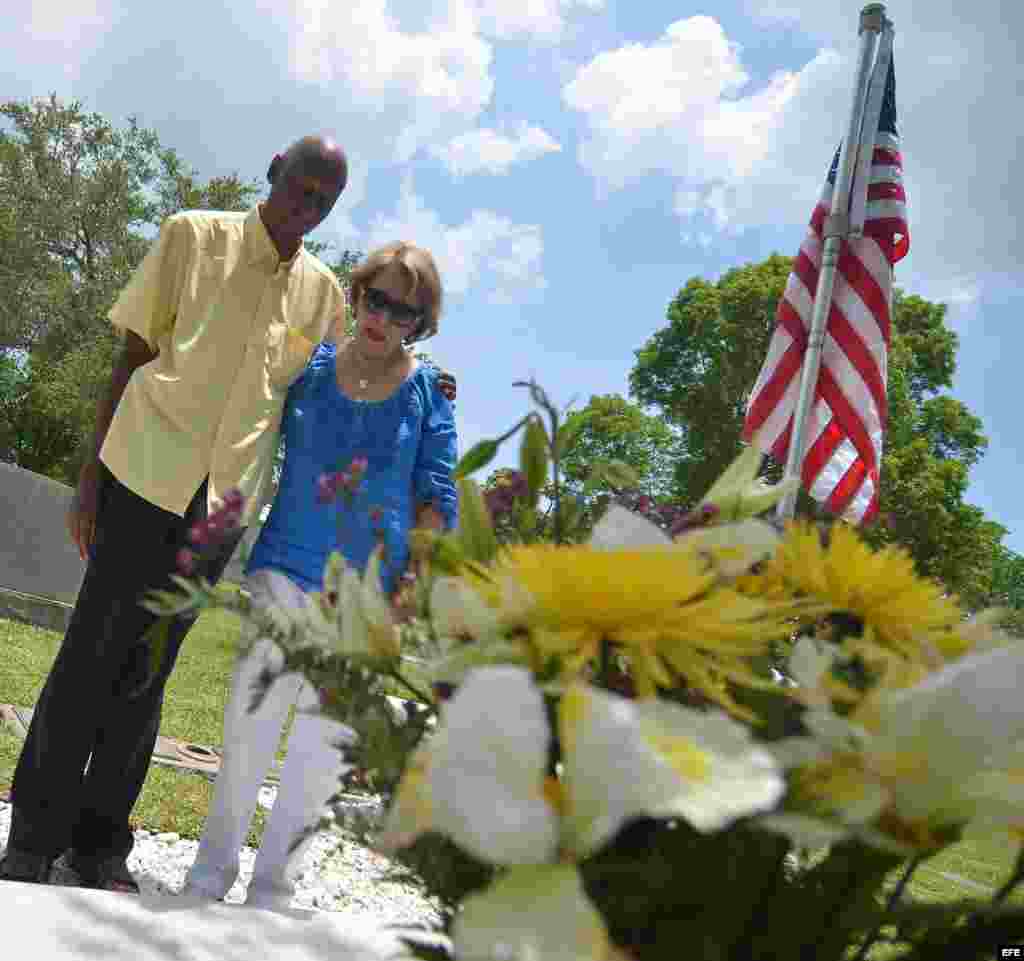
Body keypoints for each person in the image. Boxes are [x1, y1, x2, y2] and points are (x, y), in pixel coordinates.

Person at [0, 136, 350, 892]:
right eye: (301, 185)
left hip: (221, 508)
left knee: (149, 669)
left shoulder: (324, 297)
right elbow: (129, 355)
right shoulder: (193, 235)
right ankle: (32, 838)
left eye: (325, 200)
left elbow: (323, 398)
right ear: (272, 171)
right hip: (142, 473)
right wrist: (90, 476)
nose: (308, 205)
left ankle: (99, 846)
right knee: (92, 651)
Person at [184, 241, 458, 910]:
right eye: (376, 298)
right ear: (355, 294)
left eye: (405, 311)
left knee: (320, 747)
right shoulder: (307, 371)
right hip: (285, 565)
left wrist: (408, 593)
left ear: (419, 325)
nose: (384, 317)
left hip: (370, 595)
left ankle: (275, 885)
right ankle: (208, 876)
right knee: (250, 725)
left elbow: (436, 497)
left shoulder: (430, 394)